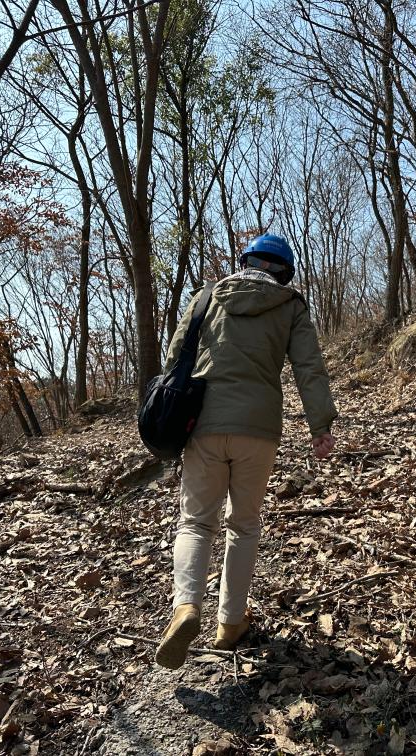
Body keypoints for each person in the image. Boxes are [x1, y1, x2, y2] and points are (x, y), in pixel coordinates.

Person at [154, 234, 338, 670]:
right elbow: (309, 367)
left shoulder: (207, 297)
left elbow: (175, 357)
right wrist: (321, 426)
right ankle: (230, 623)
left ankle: (186, 606)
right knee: (243, 524)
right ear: (284, 271)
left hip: (203, 424)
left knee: (196, 522)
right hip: (259, 429)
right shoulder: (291, 305)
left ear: (247, 261)